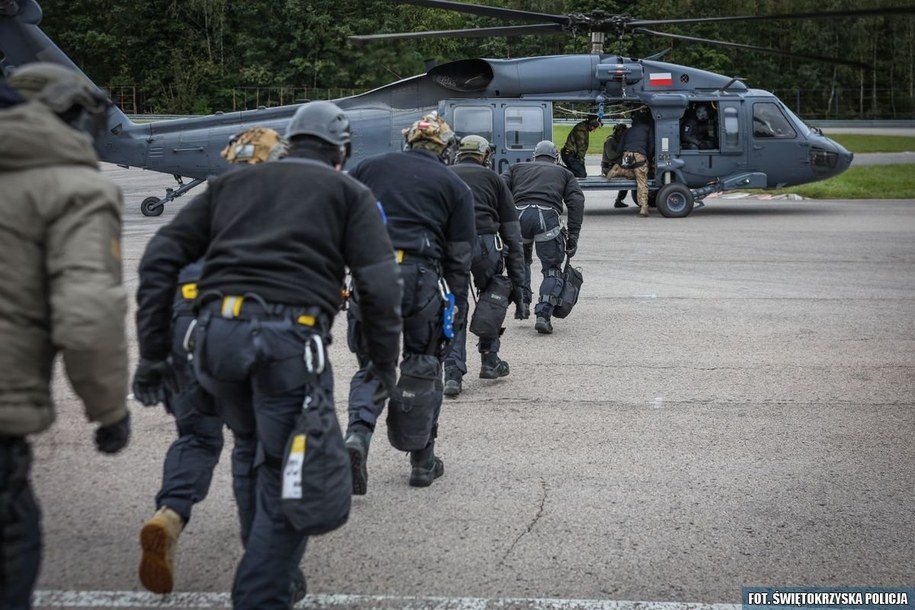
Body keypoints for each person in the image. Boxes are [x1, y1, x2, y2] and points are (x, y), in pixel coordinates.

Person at [133, 101, 402, 610]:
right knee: (292, 475)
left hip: (216, 343)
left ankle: (266, 567)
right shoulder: (348, 192)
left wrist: (152, 354)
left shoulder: (231, 185)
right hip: (287, 344)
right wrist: (382, 361)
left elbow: (159, 259)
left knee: (249, 449)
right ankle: (262, 590)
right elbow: (379, 285)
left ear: (292, 140)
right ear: (340, 152)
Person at [133, 127, 292, 596]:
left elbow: (154, 273)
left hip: (186, 329)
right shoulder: (284, 212)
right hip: (248, 334)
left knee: (198, 437)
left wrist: (151, 356)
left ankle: (172, 513)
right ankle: (261, 555)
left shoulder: (202, 207)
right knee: (254, 447)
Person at [0, 63, 130, 610]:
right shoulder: (73, 189)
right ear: (73, 116)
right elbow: (87, 313)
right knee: (13, 542)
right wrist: (109, 410)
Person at [344, 111, 475, 494]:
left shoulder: (367, 169)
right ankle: (422, 461)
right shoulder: (454, 184)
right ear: (443, 147)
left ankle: (357, 438)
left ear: (409, 142)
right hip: (419, 277)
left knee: (373, 365)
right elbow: (460, 254)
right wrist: (454, 304)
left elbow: (341, 221)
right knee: (422, 364)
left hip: (370, 275)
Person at [442, 135, 527, 397]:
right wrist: (520, 289)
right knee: (492, 298)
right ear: (484, 156)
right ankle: (490, 360)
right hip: (487, 245)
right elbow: (512, 232)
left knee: (455, 305)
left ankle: (453, 373)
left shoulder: (444, 175)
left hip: (452, 244)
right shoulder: (494, 180)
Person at [501, 140, 584, 335]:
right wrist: (573, 236)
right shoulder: (564, 173)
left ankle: (523, 305)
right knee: (552, 270)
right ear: (555, 158)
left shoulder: (516, 168)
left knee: (521, 264)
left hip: (518, 218)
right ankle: (543, 316)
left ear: (534, 156)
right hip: (547, 219)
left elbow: (498, 189)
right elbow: (576, 202)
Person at [608, 108, 654, 217]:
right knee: (642, 181)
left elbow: (620, 148)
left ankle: (619, 170)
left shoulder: (628, 130)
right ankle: (643, 207)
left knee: (632, 172)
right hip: (639, 155)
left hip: (627, 154)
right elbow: (652, 145)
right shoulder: (647, 128)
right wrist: (648, 158)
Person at [600, 123, 633, 208]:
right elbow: (611, 155)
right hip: (609, 167)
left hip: (614, 166)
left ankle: (619, 200)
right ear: (619, 132)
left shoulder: (617, 141)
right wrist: (622, 153)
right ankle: (619, 200)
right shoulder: (610, 141)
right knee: (630, 176)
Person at [560, 114, 602, 178]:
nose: (594, 129)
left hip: (571, 154)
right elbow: (581, 146)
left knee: (581, 173)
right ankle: (558, 168)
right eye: (594, 127)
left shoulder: (583, 127)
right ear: (591, 125)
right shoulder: (581, 130)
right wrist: (581, 160)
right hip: (569, 154)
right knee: (581, 174)